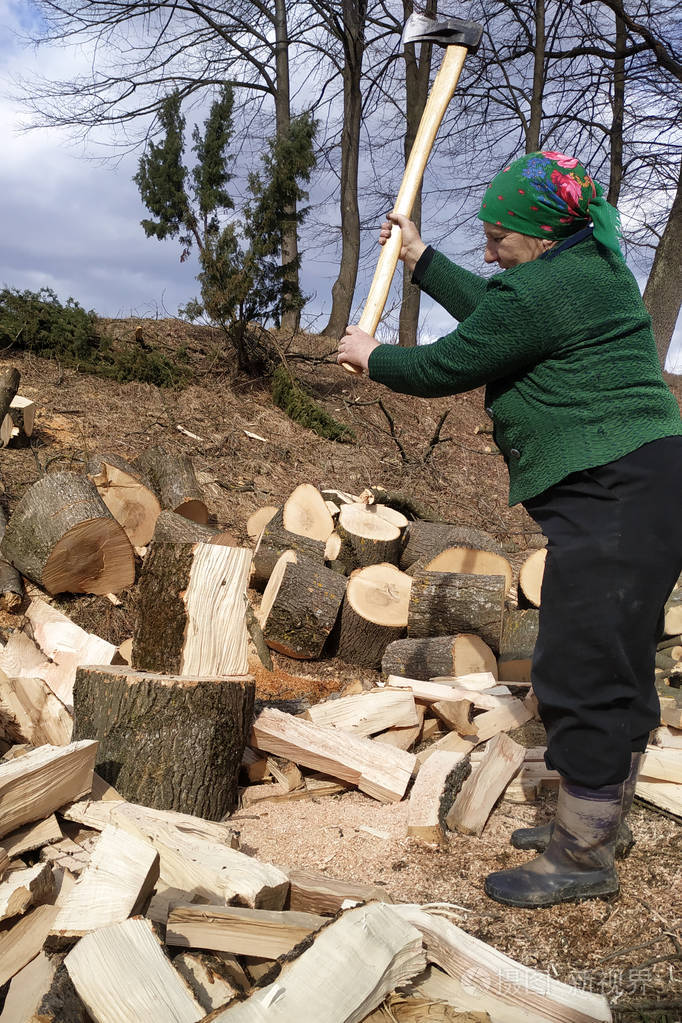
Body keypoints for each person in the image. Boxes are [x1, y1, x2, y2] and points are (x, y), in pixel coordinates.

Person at [336, 150, 682, 909]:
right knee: (617, 661)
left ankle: (582, 856)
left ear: (539, 233)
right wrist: (422, 259)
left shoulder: (545, 289)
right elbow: (501, 309)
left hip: (615, 495)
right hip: (642, 487)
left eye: (498, 239)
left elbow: (449, 364)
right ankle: (599, 824)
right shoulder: (586, 265)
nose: (490, 254)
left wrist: (375, 356)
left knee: (582, 667)